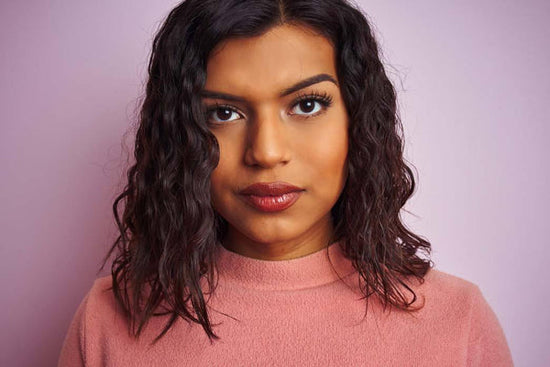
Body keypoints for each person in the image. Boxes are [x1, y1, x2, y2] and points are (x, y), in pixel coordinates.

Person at [58, 0, 514, 365]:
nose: (267, 152)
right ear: (181, 136)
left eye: (307, 105)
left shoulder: (457, 321)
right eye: (223, 113)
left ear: (358, 121)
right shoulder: (108, 319)